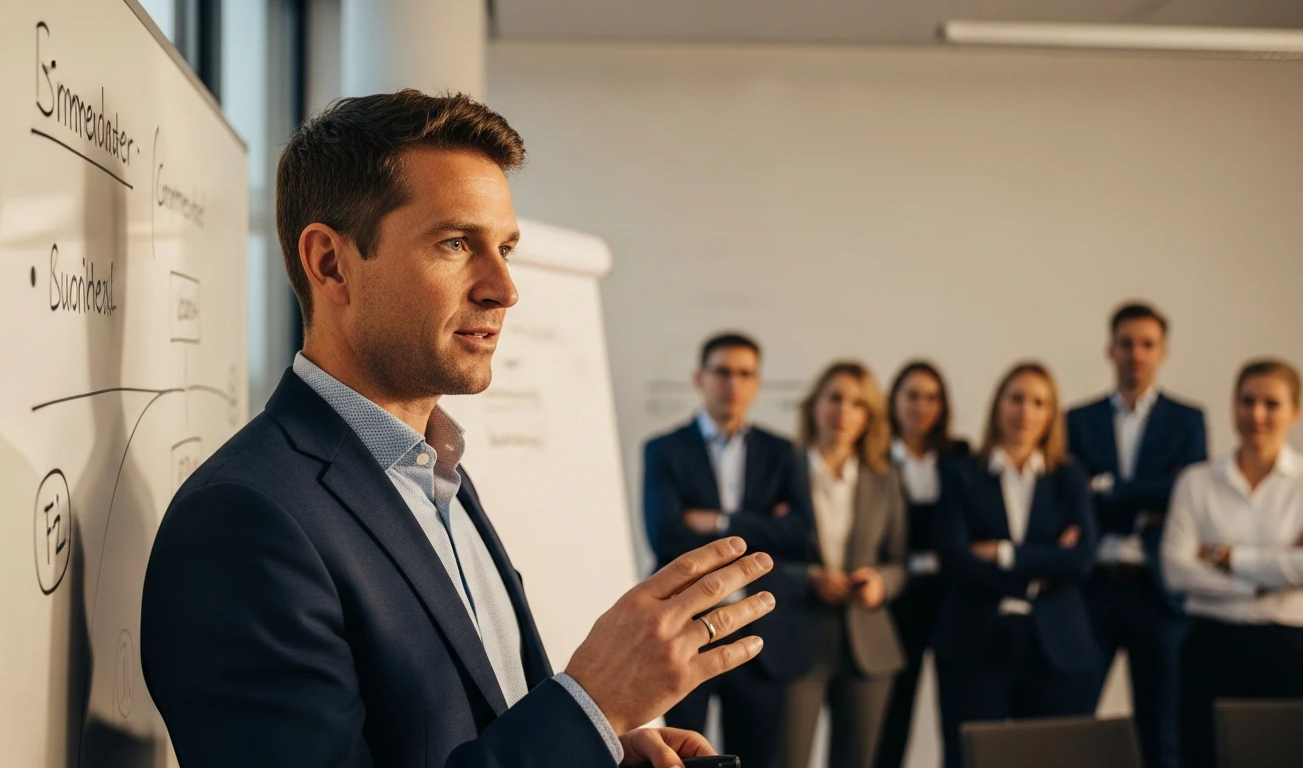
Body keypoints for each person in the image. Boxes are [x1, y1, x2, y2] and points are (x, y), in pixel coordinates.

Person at [140, 91, 779, 768]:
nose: (504, 288)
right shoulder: (243, 521)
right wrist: (589, 704)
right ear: (330, 263)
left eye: (504, 247)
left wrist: (600, 750)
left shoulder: (438, 473)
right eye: (455, 243)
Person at [643, 332, 814, 768]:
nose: (732, 384)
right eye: (722, 372)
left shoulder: (783, 453)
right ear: (700, 378)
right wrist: (764, 525)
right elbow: (665, 537)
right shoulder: (664, 449)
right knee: (680, 758)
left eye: (745, 374)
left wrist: (716, 522)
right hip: (685, 631)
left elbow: (799, 534)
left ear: (757, 384)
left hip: (762, 634)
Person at [933, 363, 1100, 768]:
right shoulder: (961, 474)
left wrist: (1005, 553)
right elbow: (954, 558)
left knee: (1050, 757)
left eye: (1039, 402)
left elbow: (1081, 560)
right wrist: (1046, 561)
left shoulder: (1070, 477)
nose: (1026, 411)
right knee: (970, 758)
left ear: (1051, 414)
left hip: (1056, 643)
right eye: (1017, 398)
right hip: (975, 640)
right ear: (998, 405)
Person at [1066, 302, 1207, 768]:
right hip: (1094, 587)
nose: (1135, 354)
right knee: (1074, 718)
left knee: (1163, 728)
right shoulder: (1077, 419)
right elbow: (1072, 497)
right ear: (1110, 349)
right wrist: (1145, 500)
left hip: (1157, 591)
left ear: (1162, 352)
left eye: (1146, 345)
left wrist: (1106, 488)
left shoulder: (1187, 419)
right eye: (1126, 343)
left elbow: (1183, 492)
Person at [1162, 358, 1303, 768]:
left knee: (1282, 757)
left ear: (1295, 412)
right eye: (1246, 401)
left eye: (1271, 404)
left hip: (1289, 645)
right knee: (1203, 755)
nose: (1256, 414)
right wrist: (1265, 578)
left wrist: (1226, 557)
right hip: (1209, 645)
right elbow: (1175, 569)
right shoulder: (1196, 481)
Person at [774, 361, 908, 768]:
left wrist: (881, 582)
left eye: (857, 404)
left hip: (867, 645)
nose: (843, 412)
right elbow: (752, 556)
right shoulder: (782, 468)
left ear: (869, 418)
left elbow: (899, 560)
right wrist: (808, 578)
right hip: (795, 640)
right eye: (835, 398)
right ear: (815, 404)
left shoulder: (883, 478)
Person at [873, 361, 971, 768]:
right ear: (893, 400)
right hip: (896, 598)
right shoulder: (876, 458)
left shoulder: (960, 456)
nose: (921, 406)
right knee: (892, 714)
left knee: (958, 713)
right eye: (912, 395)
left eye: (932, 397)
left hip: (951, 596)